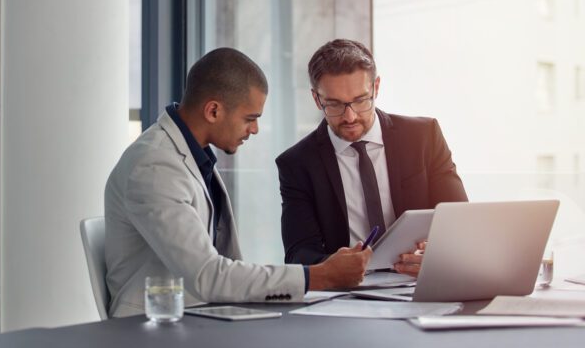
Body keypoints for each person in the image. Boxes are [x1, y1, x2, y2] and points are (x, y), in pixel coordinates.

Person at [105, 47, 371, 317]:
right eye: (250, 119)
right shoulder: (154, 166)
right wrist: (319, 276)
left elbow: (221, 268)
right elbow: (207, 276)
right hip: (154, 330)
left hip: (199, 317)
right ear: (213, 110)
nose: (254, 129)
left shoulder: (193, 156)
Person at [277, 39, 467, 276]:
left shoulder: (423, 136)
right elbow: (298, 253)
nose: (350, 116)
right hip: (348, 292)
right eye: (334, 104)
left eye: (360, 100)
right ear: (317, 99)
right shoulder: (297, 164)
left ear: (376, 88)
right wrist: (333, 266)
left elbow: (461, 223)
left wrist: (438, 254)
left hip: (421, 281)